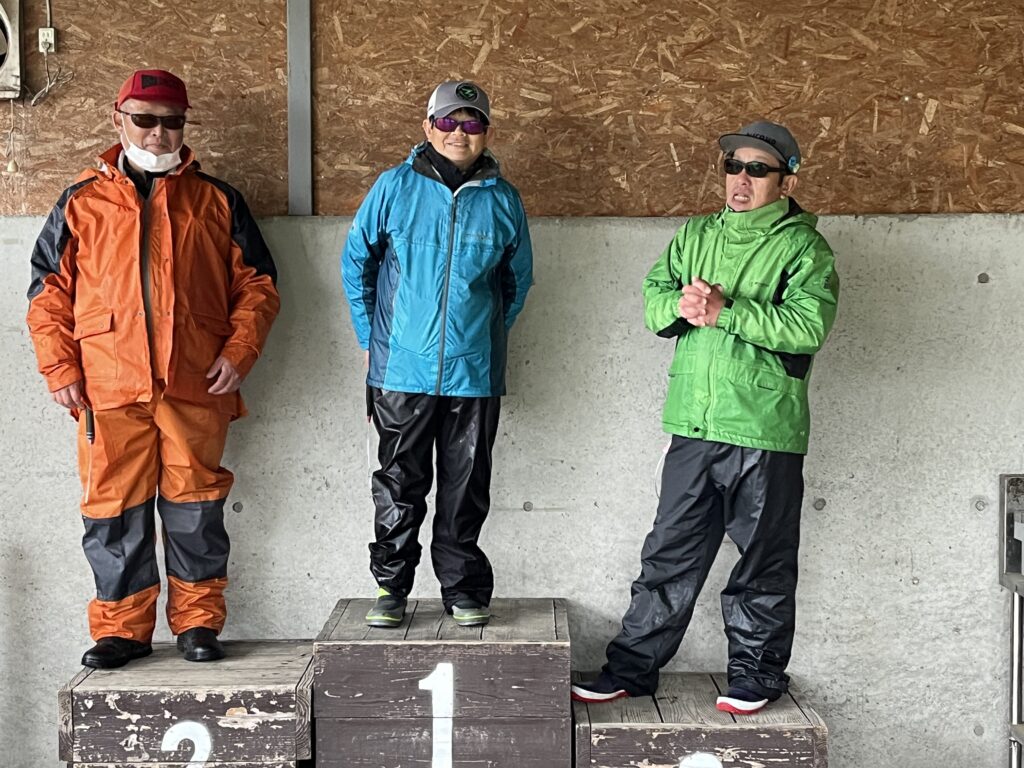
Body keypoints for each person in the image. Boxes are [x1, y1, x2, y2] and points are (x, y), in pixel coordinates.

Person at [571, 121, 839, 714]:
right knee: (668, 555)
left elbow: (808, 326)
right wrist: (681, 304)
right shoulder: (695, 234)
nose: (741, 179)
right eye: (733, 166)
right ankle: (631, 670)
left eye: (758, 169)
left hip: (765, 430)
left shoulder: (805, 248)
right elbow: (653, 300)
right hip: (692, 425)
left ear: (787, 182)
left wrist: (726, 311)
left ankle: (756, 676)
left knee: (762, 562)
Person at [26, 69, 280, 668]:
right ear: (118, 120)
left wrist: (238, 353)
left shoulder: (217, 200)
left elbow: (259, 286)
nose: (158, 133)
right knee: (113, 512)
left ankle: (198, 623)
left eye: (172, 122)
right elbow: (47, 293)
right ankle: (123, 630)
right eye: (145, 119)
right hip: (106, 387)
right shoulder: (80, 202)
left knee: (196, 510)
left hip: (195, 384)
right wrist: (59, 368)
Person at [342, 80, 532, 629]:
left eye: (471, 123)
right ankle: (390, 587)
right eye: (448, 121)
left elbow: (516, 282)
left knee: (466, 485)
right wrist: (371, 340)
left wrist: (483, 338)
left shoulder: (503, 200)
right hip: (401, 368)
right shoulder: (394, 187)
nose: (458, 133)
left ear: (486, 132)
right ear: (428, 126)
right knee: (399, 482)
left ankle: (463, 589)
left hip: (474, 373)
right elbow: (357, 265)